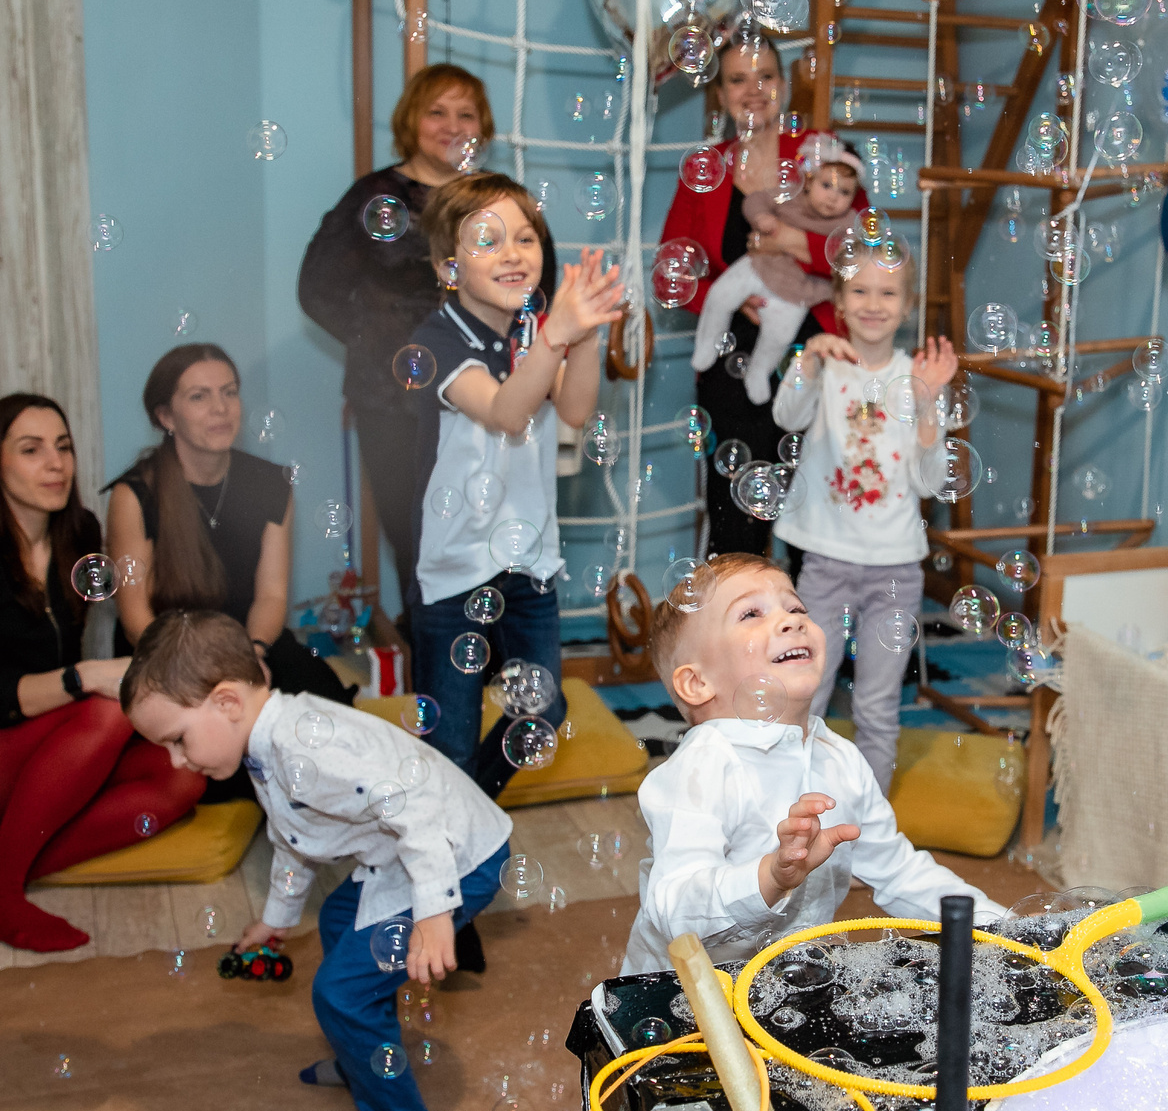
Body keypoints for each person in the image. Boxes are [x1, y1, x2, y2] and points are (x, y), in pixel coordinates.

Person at [121, 610, 511, 1111]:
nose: (176, 760)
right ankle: (365, 1055)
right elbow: (294, 840)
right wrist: (276, 921)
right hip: (412, 852)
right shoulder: (267, 744)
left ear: (228, 703)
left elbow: (415, 807)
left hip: (457, 855)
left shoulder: (305, 749)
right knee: (336, 920)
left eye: (177, 740)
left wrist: (434, 913)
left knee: (338, 993)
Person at [0, 395, 204, 953]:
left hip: (42, 733)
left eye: (63, 448)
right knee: (105, 709)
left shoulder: (77, 533)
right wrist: (84, 676)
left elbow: (129, 598)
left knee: (183, 775)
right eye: (32, 450)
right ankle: (1, 892)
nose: (56, 464)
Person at [619, 553, 1000, 975]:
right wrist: (770, 876)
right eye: (750, 613)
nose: (791, 620)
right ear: (696, 683)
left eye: (796, 607)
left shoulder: (840, 757)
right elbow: (674, 909)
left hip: (788, 984)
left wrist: (1003, 928)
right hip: (684, 1000)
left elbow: (898, 872)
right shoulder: (703, 767)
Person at [404, 173, 624, 799]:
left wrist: (584, 333)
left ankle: (462, 814)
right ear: (450, 266)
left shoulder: (533, 330)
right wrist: (556, 336)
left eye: (525, 238)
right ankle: (448, 835)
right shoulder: (437, 339)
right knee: (448, 739)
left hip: (526, 561)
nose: (513, 253)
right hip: (453, 571)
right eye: (488, 240)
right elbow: (505, 411)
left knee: (543, 713)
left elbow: (575, 410)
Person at [298, 64, 495, 616]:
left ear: (484, 127)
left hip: (483, 399)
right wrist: (378, 342)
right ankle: (431, 671)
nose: (452, 125)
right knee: (415, 542)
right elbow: (317, 287)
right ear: (411, 121)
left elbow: (534, 285)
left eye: (466, 113)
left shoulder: (495, 199)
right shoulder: (373, 196)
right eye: (437, 111)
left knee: (482, 547)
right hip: (391, 401)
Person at [658, 39, 869, 556]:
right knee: (735, 519)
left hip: (816, 352)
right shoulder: (706, 170)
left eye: (766, 77)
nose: (753, 91)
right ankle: (737, 633)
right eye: (737, 79)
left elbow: (860, 252)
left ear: (785, 85)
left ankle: (806, 633)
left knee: (815, 517)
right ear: (719, 92)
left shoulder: (822, 154)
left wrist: (784, 243)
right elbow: (671, 273)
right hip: (731, 359)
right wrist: (733, 298)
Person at [770, 242, 957, 791]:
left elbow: (931, 480)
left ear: (908, 304)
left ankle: (869, 831)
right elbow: (786, 413)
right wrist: (807, 358)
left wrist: (928, 403)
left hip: (896, 570)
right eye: (859, 290)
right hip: (825, 561)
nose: (873, 303)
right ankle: (790, 817)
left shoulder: (916, 377)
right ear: (840, 301)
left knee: (877, 709)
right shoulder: (827, 365)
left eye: (888, 292)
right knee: (806, 696)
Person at [105, 344, 334, 704]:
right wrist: (198, 672)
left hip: (248, 642)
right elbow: (136, 619)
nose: (221, 408)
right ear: (166, 417)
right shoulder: (134, 494)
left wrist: (253, 655)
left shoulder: (271, 484)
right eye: (200, 397)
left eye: (229, 392)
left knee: (325, 703)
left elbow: (271, 596)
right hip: (165, 657)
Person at [689, 134, 863, 405]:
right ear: (808, 181)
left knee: (778, 337)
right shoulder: (790, 196)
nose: (833, 197)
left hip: (796, 291)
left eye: (844, 192)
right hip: (758, 267)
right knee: (721, 295)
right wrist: (762, 218)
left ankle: (759, 371)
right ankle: (708, 341)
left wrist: (784, 240)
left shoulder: (850, 222)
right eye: (827, 185)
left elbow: (850, 259)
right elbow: (755, 201)